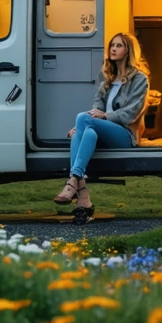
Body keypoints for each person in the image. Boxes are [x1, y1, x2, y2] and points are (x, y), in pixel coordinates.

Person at [54, 32, 150, 215]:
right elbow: (95, 109)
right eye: (112, 45)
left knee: (83, 118)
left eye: (119, 45)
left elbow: (132, 112)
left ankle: (73, 181)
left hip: (125, 134)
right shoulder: (108, 78)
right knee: (85, 131)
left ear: (128, 50)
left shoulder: (140, 79)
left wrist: (104, 116)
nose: (113, 49)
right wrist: (81, 126)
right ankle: (82, 193)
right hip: (103, 131)